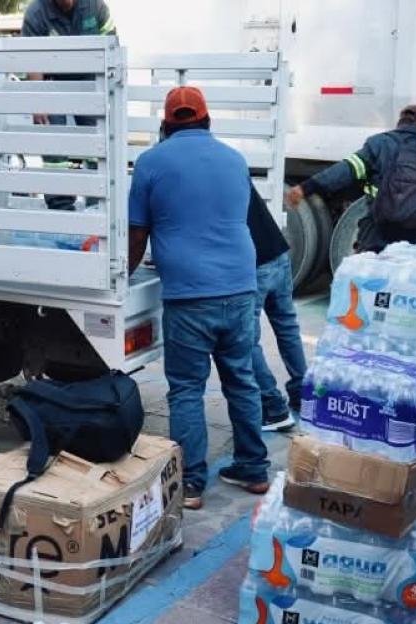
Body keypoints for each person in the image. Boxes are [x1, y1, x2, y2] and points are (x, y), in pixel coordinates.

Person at [128, 86, 269, 510]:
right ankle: (254, 469)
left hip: (190, 295)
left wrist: (124, 275)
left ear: (165, 124)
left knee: (187, 389)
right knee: (241, 379)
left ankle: (191, 484)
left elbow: (138, 232)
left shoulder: (152, 161)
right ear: (207, 120)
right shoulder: (235, 159)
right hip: (241, 286)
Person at [285, 105, 416, 253]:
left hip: (377, 233)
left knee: (371, 283)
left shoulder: (378, 144)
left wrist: (305, 188)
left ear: (399, 123)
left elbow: (345, 171)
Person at [22, 0, 115, 210]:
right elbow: (31, 58)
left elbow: (112, 45)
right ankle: (60, 207)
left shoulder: (96, 7)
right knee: (54, 147)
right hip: (53, 83)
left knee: (97, 145)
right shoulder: (36, 13)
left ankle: (98, 204)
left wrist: (107, 92)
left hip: (92, 81)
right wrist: (39, 99)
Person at [245, 183, 306, 433]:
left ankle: (273, 408)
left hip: (255, 263)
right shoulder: (229, 163)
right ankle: (304, 395)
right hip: (278, 253)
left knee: (245, 338)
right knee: (286, 326)